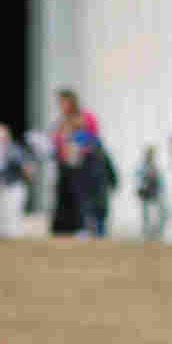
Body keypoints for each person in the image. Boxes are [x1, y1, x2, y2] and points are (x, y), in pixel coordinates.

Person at [50, 88, 102, 236]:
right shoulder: (62, 120)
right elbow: (57, 140)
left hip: (83, 164)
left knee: (82, 195)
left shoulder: (86, 117)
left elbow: (94, 138)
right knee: (65, 195)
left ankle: (84, 227)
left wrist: (80, 146)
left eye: (62, 101)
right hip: (66, 164)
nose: (60, 105)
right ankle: (65, 228)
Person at [136, 146, 167, 240]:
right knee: (146, 214)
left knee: (159, 212)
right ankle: (147, 231)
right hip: (146, 193)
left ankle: (157, 231)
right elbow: (139, 179)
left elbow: (160, 181)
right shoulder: (142, 167)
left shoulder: (155, 167)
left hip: (155, 192)